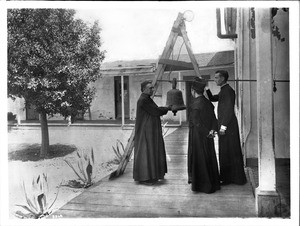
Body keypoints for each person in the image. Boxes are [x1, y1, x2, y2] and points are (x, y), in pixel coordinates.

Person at [206, 70, 247, 185]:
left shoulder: (228, 91)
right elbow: (213, 98)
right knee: (226, 151)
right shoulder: (224, 90)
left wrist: (223, 127)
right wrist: (206, 88)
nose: (215, 80)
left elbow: (229, 110)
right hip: (226, 125)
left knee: (229, 151)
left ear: (223, 78)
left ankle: (233, 178)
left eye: (216, 77)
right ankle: (228, 178)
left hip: (228, 126)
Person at [133, 80, 171, 185]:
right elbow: (156, 111)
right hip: (146, 132)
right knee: (147, 153)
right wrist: (167, 108)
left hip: (150, 130)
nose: (152, 89)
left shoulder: (147, 99)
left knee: (151, 151)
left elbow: (155, 109)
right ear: (144, 89)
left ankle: (153, 175)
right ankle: (145, 177)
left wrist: (165, 108)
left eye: (152, 87)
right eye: (150, 88)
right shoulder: (143, 100)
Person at [187, 77, 220, 193]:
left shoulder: (195, 104)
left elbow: (196, 123)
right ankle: (213, 183)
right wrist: (211, 131)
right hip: (208, 136)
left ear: (193, 91)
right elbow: (214, 119)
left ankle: (203, 186)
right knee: (208, 158)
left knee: (200, 159)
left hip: (198, 136)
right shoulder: (207, 103)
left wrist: (206, 132)